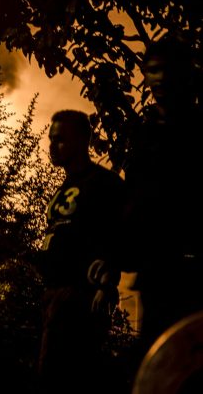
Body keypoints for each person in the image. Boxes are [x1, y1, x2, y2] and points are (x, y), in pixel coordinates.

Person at [121, 35, 203, 361]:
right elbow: (135, 197)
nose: (161, 78)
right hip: (156, 268)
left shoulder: (197, 127)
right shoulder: (144, 132)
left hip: (194, 266)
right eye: (153, 70)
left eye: (168, 70)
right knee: (160, 362)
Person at [33, 110, 127, 393]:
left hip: (80, 294)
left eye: (60, 140)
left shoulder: (104, 183)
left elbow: (121, 233)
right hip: (54, 292)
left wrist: (106, 282)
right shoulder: (64, 188)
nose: (52, 146)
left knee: (66, 378)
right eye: (50, 139)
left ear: (81, 141)